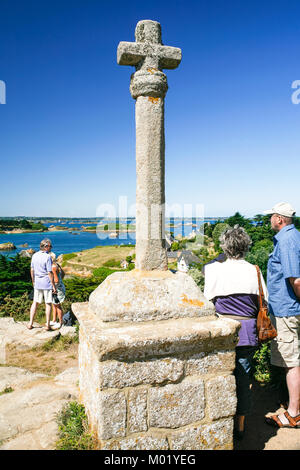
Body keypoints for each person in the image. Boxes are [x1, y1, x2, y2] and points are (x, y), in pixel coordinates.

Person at [204, 225, 267, 439]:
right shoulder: (254, 270)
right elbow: (263, 302)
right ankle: (240, 425)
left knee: (220, 378)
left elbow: (207, 302)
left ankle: (220, 420)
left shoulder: (214, 270)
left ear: (225, 246)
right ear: (246, 246)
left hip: (221, 333)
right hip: (248, 333)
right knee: (243, 379)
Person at [263, 202, 300, 429]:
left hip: (287, 309)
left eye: (271, 216)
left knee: (291, 362)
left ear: (279, 219)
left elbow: (295, 280)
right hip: (288, 307)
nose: (269, 220)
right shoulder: (294, 236)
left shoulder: (286, 241)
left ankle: (293, 413)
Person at [28, 239, 57, 331]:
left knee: (35, 303)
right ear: (45, 246)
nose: (51, 248)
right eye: (50, 246)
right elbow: (49, 272)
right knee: (48, 304)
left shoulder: (34, 255)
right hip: (46, 283)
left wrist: (33, 281)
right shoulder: (47, 257)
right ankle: (48, 325)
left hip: (37, 283)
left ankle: (30, 323)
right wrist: (53, 285)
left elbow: (32, 270)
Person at [49, 252, 66, 329]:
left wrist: (53, 287)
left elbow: (56, 280)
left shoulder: (53, 267)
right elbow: (63, 274)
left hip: (57, 289)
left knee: (57, 305)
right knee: (54, 304)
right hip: (60, 287)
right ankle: (54, 320)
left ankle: (60, 322)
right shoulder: (57, 265)